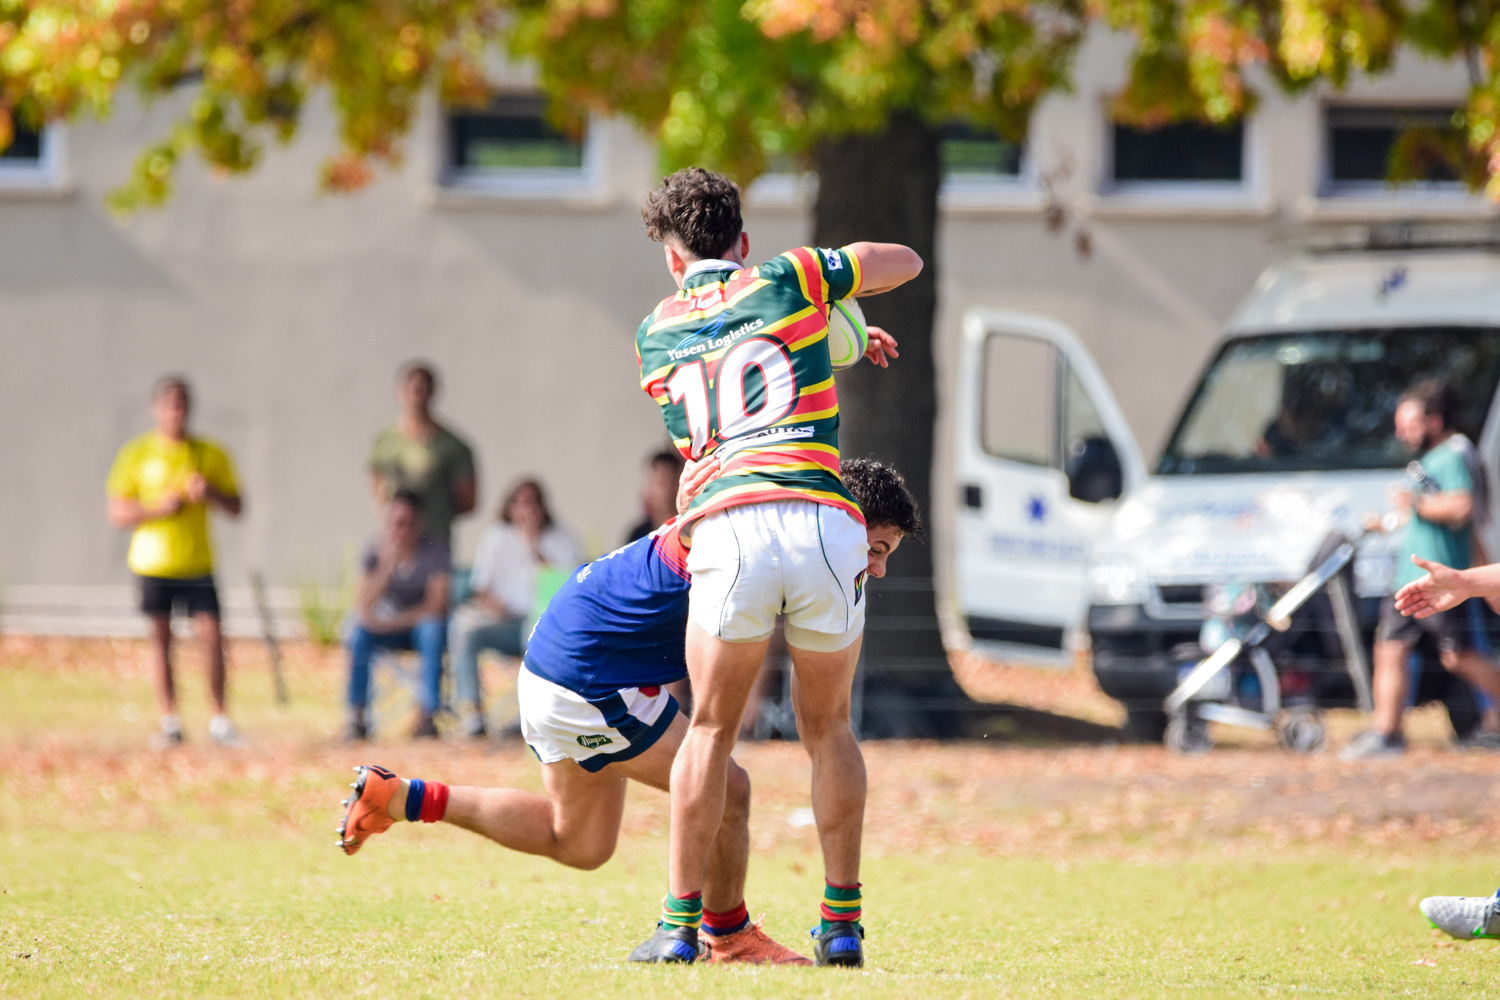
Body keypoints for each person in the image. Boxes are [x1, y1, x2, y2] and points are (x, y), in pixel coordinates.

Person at [334, 458, 922, 966]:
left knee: (579, 843)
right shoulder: (763, 536)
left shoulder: (759, 531)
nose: (877, 568)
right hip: (586, 676)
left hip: (560, 663)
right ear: (841, 520)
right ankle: (727, 936)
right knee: (730, 789)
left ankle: (405, 796)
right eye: (875, 549)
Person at [632, 167, 922, 966]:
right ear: (743, 241)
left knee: (714, 730)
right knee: (829, 727)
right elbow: (903, 262)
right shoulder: (787, 275)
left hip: (732, 524)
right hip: (824, 518)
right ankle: (841, 925)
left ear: (672, 256)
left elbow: (707, 431)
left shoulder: (656, 331)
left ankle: (678, 926)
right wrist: (840, 301)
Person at [1342, 379, 1500, 759]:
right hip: (1407, 580)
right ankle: (1387, 733)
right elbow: (1423, 514)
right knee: (1389, 648)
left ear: (1434, 419)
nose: (1402, 432)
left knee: (1458, 656)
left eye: (1409, 422)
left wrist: (1416, 506)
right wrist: (1387, 522)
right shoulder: (1429, 461)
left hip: (1444, 579)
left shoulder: (1454, 452)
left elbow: (1462, 508)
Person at [106, 376, 244, 749]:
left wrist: (209, 492)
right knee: (160, 643)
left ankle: (219, 719)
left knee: (212, 639)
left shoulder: (209, 454)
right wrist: (158, 509)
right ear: (156, 408)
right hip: (154, 563)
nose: (175, 412)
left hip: (197, 562)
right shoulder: (137, 454)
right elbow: (117, 511)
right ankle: (170, 721)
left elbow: (237, 506)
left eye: (182, 404)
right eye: (169, 404)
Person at [449, 478, 582, 738]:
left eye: (532, 503)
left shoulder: (563, 539)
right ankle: (473, 714)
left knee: (529, 635)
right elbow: (481, 587)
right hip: (502, 620)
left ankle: (529, 715)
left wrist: (534, 545)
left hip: (543, 623)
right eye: (520, 503)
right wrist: (494, 606)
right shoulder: (496, 537)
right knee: (464, 632)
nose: (527, 510)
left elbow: (566, 586)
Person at [345, 490, 452, 741]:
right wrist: (386, 567)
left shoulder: (434, 550)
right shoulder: (375, 550)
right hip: (383, 629)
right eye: (395, 523)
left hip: (415, 628)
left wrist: (395, 622)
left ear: (419, 523)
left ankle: (427, 716)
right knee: (358, 633)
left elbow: (437, 604)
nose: (400, 530)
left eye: (407, 523)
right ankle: (356, 716)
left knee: (432, 630)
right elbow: (362, 604)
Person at [369, 361, 478, 552]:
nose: (415, 397)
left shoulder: (452, 445)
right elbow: (377, 483)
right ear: (399, 391)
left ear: (432, 392)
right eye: (410, 390)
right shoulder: (386, 440)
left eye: (421, 390)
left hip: (434, 537)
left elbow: (467, 500)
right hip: (396, 538)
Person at [625, 450, 685, 544]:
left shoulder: (689, 529)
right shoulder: (638, 535)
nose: (666, 489)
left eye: (671, 481)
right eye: (660, 482)